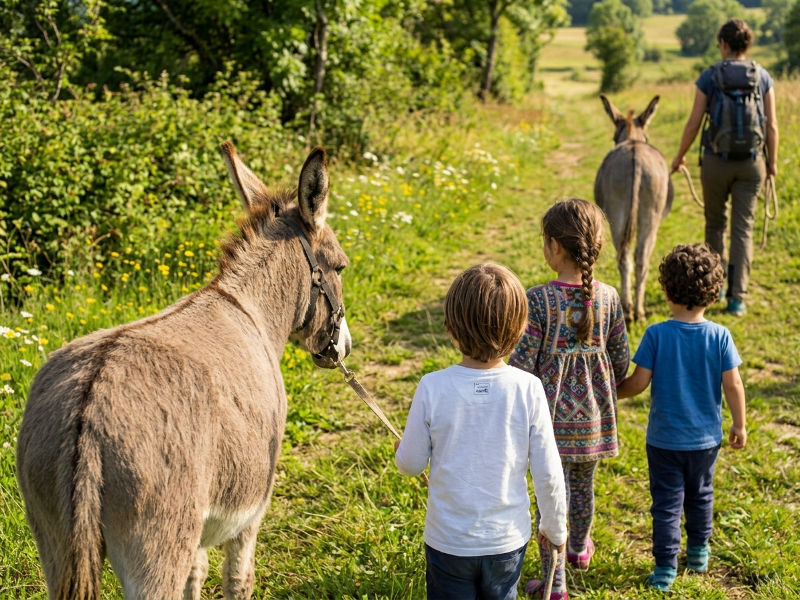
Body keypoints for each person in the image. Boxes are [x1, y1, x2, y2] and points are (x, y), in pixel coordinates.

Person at [395, 263, 568, 600]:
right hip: (506, 541)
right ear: (519, 330)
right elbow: (549, 472)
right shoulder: (528, 388)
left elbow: (411, 464)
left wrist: (405, 450)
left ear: (450, 326)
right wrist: (555, 527)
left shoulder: (432, 387)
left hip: (448, 543)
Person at [509, 198, 629, 600]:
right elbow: (621, 357)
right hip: (593, 419)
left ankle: (554, 581)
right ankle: (578, 549)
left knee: (549, 500)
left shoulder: (539, 300)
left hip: (549, 424)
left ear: (554, 248)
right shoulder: (610, 297)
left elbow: (521, 363)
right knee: (583, 489)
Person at [617, 243, 747, 591]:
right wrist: (739, 423)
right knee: (701, 494)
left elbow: (638, 384)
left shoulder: (657, 335)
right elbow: (733, 385)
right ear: (714, 292)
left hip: (664, 441)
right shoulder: (720, 336)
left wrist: (609, 392)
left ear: (667, 290)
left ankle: (664, 568)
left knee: (666, 504)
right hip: (706, 440)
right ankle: (699, 549)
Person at [670, 18, 779, 317]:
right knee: (743, 230)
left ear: (724, 44)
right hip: (752, 164)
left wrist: (679, 156)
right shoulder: (762, 76)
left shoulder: (709, 76)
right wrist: (772, 163)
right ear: (747, 45)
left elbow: (694, 122)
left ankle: (714, 287)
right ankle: (737, 299)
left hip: (716, 162)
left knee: (715, 224)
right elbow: (771, 125)